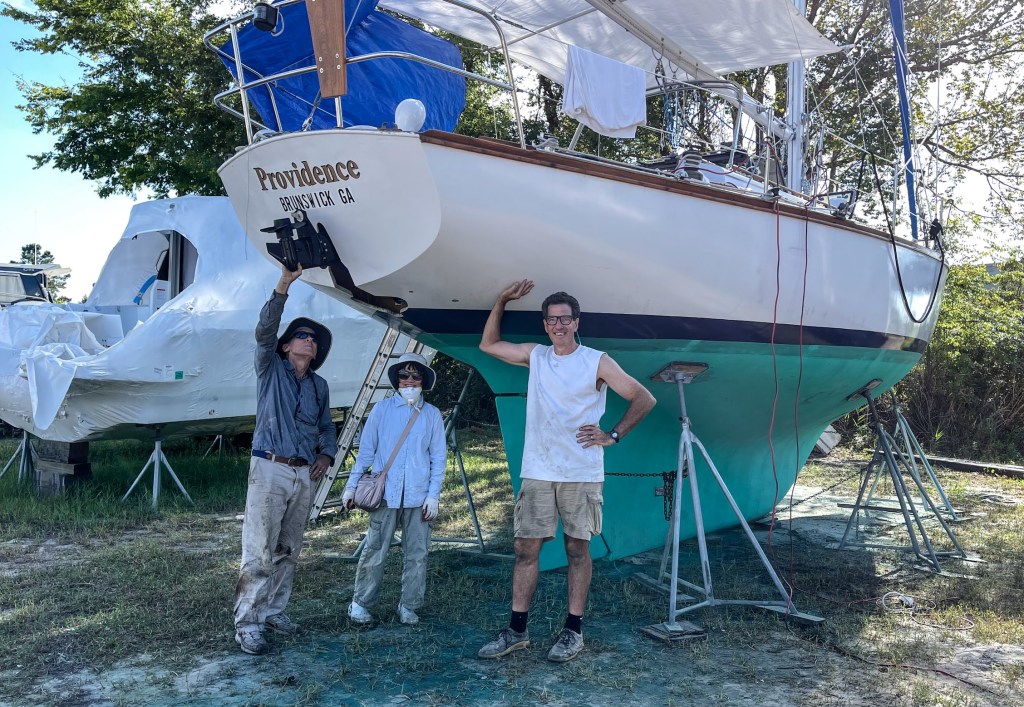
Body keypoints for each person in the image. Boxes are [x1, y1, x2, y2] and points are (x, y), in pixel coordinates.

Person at [477, 280, 656, 663]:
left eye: (565, 319)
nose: (558, 325)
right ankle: (517, 631)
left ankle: (573, 631)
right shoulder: (537, 356)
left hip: (581, 472)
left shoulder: (596, 361)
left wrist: (612, 435)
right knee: (526, 548)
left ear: (576, 322)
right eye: (552, 319)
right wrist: (501, 300)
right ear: (545, 324)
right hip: (538, 470)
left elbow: (644, 397)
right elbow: (488, 345)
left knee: (577, 549)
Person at [233, 264, 338, 655]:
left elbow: (326, 426)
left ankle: (274, 612)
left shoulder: (319, 385)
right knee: (259, 549)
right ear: (285, 346)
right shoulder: (270, 369)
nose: (309, 341)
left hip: (302, 473)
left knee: (289, 549)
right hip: (269, 467)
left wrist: (327, 454)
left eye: (313, 339)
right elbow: (264, 330)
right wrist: (284, 283)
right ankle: (248, 624)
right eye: (301, 336)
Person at [341, 352, 447, 626]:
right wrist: (351, 486)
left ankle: (410, 605)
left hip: (418, 496)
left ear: (423, 380)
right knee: (375, 549)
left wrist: (433, 495)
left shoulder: (432, 415)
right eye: (404, 375)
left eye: (416, 375)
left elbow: (438, 458)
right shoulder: (381, 410)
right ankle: (361, 603)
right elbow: (366, 452)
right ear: (396, 379)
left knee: (417, 554)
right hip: (385, 494)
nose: (409, 380)